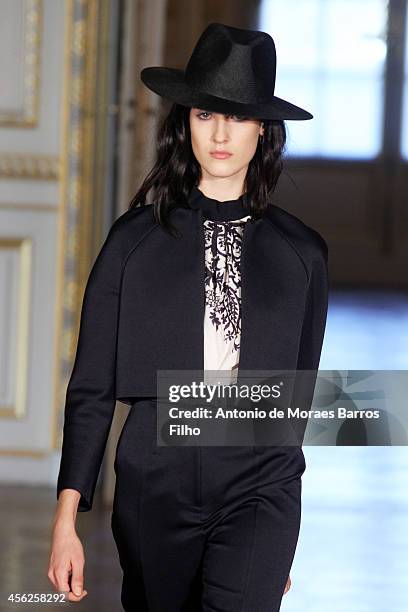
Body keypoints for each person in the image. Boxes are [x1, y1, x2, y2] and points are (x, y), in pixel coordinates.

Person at [48, 22, 329, 611]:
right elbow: (93, 385)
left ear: (263, 128)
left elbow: (295, 402)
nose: (221, 133)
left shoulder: (303, 253)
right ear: (185, 124)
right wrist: (66, 519)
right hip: (157, 476)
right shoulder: (133, 243)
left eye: (237, 116)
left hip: (261, 480)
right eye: (205, 114)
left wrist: (283, 541)